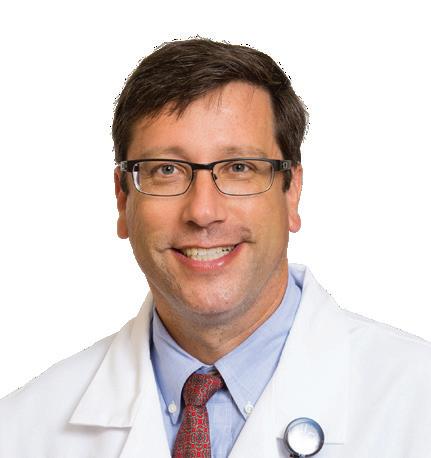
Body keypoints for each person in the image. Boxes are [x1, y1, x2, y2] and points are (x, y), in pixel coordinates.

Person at [0, 38, 430, 458]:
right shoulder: (22, 430)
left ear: (291, 192)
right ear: (122, 198)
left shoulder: (416, 402)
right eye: (166, 170)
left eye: (239, 167)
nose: (203, 212)